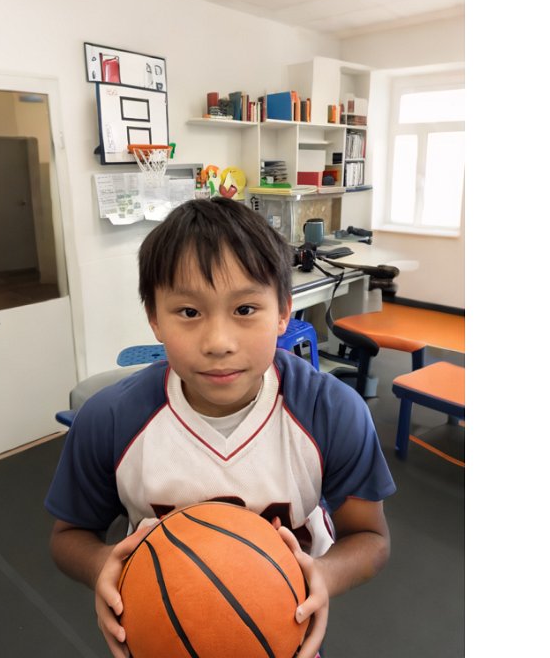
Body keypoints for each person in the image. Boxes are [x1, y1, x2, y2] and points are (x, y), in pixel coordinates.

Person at [45, 197, 396, 658]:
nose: (218, 343)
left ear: (284, 313)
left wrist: (324, 575)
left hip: (284, 636)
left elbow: (370, 538)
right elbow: (68, 537)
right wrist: (100, 566)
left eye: (245, 309)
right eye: (189, 312)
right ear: (154, 319)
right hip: (159, 638)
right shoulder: (109, 420)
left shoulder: (332, 412)